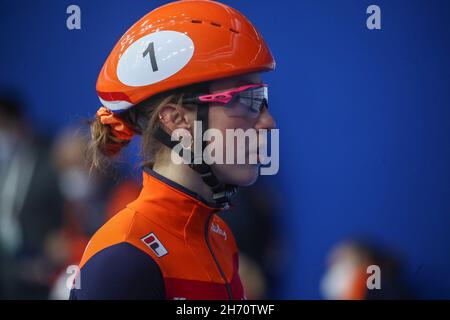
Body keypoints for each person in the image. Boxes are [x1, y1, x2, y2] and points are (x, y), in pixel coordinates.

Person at [70, 0, 276, 300]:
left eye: (263, 100)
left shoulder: (220, 237)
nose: (268, 123)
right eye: (247, 100)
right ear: (177, 120)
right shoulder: (123, 259)